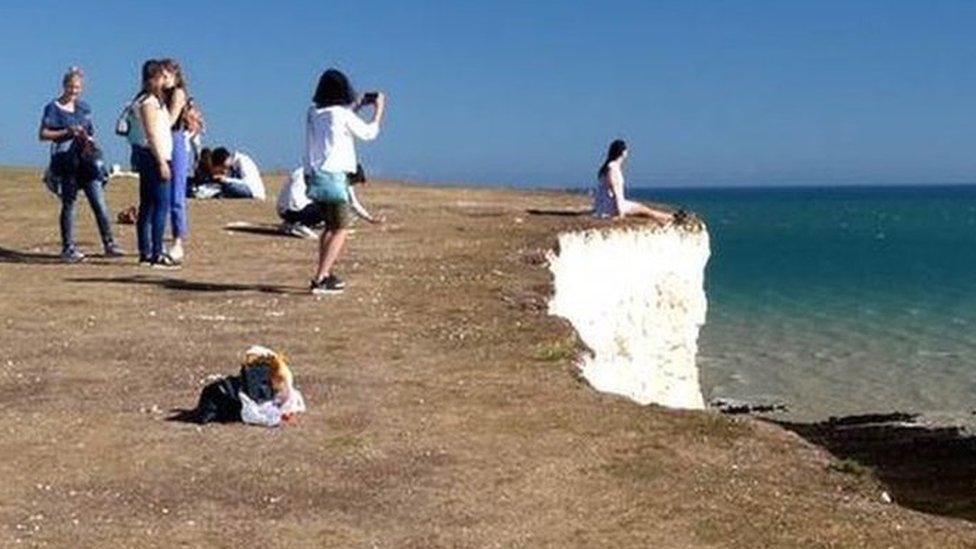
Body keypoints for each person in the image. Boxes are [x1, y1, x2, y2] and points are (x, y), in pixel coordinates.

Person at [304, 69, 386, 294]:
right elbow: (369, 133)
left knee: (329, 227)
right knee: (340, 229)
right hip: (336, 178)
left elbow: (332, 123)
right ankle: (321, 277)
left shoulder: (313, 113)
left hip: (317, 175)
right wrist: (378, 110)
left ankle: (325, 273)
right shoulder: (342, 115)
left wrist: (357, 106)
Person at [38, 66, 124, 262]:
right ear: (64, 86)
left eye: (77, 87)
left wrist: (89, 141)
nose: (73, 91)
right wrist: (67, 132)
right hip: (66, 162)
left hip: (86, 162)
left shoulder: (84, 108)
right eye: (70, 87)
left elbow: (91, 133)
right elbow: (43, 135)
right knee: (69, 204)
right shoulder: (52, 108)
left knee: (99, 203)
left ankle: (109, 243)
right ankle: (68, 247)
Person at [131, 60, 178, 268]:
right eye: (160, 77)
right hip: (154, 156)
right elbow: (151, 133)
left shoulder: (157, 101)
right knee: (159, 204)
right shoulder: (148, 102)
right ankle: (155, 252)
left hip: (155, 154)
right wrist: (161, 162)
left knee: (149, 205)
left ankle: (146, 251)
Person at [277, 166, 383, 238]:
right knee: (335, 206)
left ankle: (289, 224)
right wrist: (370, 219)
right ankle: (302, 226)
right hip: (297, 209)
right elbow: (352, 203)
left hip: (283, 211)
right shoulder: (330, 177)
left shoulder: (311, 168)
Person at [594, 139, 674, 224]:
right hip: (611, 207)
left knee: (643, 209)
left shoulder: (608, 167)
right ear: (622, 152)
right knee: (646, 211)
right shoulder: (613, 168)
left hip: (605, 207)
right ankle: (672, 217)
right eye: (626, 150)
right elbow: (616, 191)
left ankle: (670, 217)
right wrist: (620, 213)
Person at [160, 58, 191, 262]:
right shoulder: (157, 94)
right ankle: (159, 240)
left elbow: (171, 119)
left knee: (176, 196)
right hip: (162, 140)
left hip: (175, 139)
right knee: (161, 194)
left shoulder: (178, 93)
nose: (162, 79)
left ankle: (178, 240)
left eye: (166, 76)